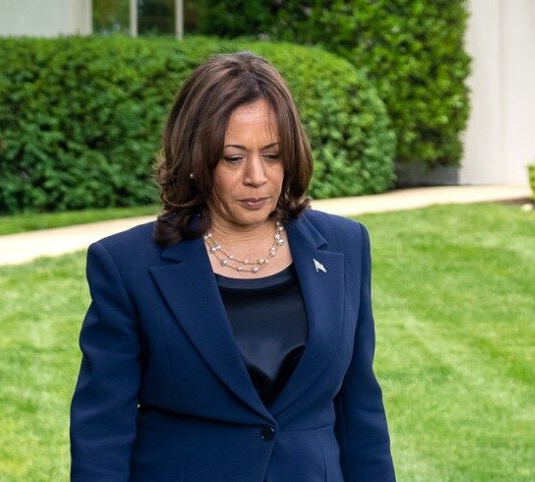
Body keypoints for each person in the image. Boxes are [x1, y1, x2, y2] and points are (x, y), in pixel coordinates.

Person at [69, 51, 395, 482]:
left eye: (273, 154)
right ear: (195, 160)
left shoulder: (345, 246)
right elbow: (102, 435)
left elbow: (360, 410)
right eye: (233, 157)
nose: (257, 176)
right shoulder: (126, 265)